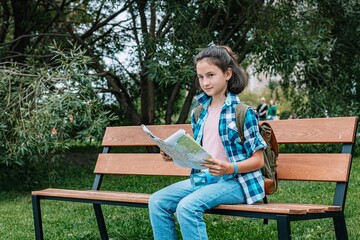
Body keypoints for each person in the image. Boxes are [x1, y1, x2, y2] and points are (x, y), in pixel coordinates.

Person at [148, 46, 267, 240]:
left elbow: (258, 160)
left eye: (210, 75)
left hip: (237, 182)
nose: (205, 82)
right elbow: (199, 153)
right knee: (157, 201)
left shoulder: (243, 113)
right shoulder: (199, 113)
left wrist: (229, 168)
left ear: (227, 74)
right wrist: (174, 153)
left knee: (187, 207)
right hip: (205, 179)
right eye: (201, 77)